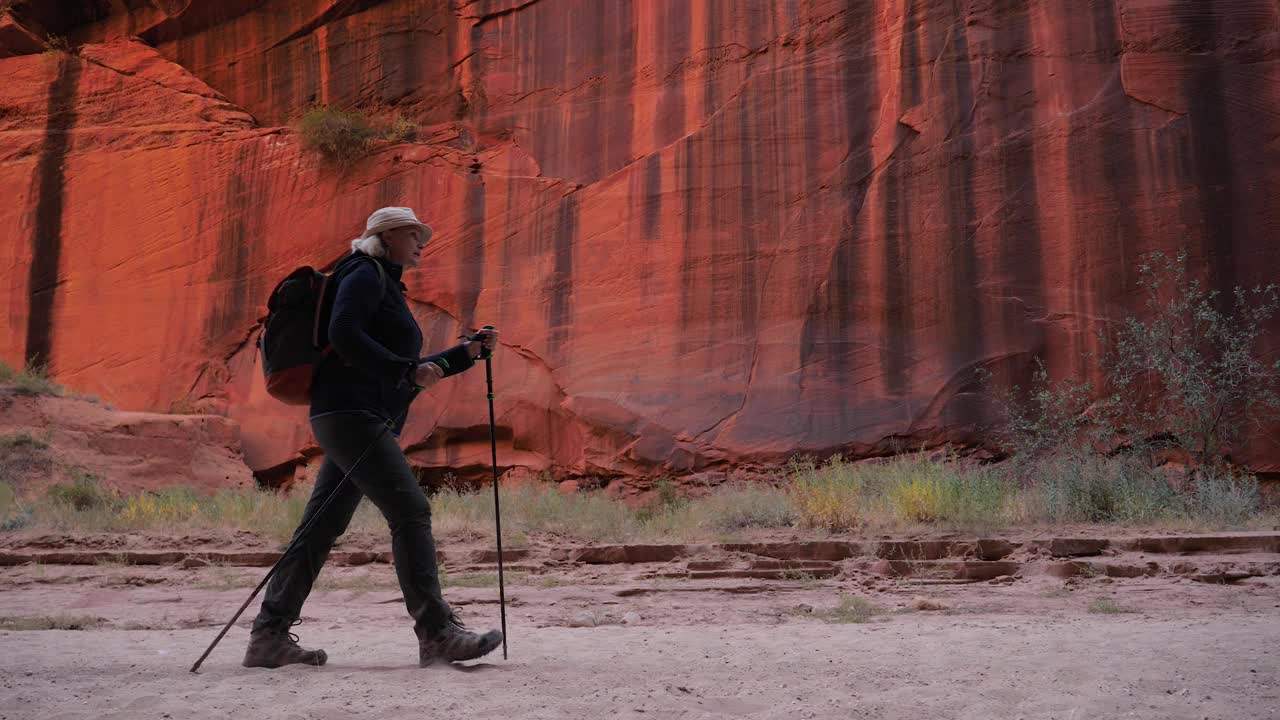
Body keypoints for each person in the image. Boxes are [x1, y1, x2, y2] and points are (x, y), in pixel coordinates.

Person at [243, 207, 503, 669]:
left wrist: (466, 354)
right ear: (387, 237)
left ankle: (268, 636)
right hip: (352, 415)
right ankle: (437, 632)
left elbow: (412, 372)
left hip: (352, 416)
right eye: (412, 234)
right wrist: (405, 368)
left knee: (320, 527)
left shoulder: (381, 282)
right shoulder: (364, 273)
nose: (421, 241)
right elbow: (345, 334)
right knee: (410, 510)